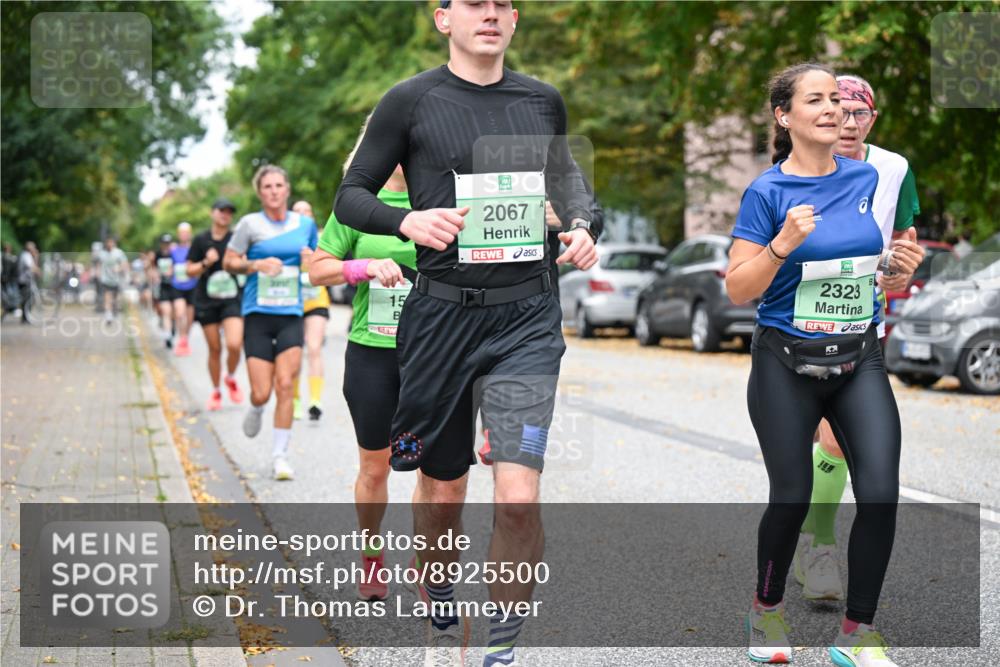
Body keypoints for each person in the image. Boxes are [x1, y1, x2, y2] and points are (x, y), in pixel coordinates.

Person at [333, 1, 598, 664]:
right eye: (473, 3)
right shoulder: (411, 101)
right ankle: (443, 621)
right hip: (443, 317)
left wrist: (583, 224)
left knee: (517, 498)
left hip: (527, 317)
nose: (490, 13)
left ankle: (498, 650)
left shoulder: (542, 101)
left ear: (513, 20)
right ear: (442, 18)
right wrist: (406, 224)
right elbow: (352, 192)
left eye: (502, 4)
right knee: (444, 489)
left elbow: (567, 179)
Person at [725, 63, 922, 667]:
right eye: (818, 100)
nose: (834, 109)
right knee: (791, 493)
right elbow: (738, 289)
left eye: (838, 99)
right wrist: (781, 244)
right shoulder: (767, 192)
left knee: (882, 492)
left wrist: (898, 271)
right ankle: (766, 613)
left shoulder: (863, 178)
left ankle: (855, 633)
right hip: (785, 361)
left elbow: (864, 269)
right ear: (786, 117)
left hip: (858, 354)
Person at [792, 74, 927, 602]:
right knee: (812, 438)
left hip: (862, 319)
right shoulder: (800, 162)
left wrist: (899, 270)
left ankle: (817, 545)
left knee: (834, 439)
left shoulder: (894, 169)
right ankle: (809, 532)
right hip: (800, 319)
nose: (848, 124)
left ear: (874, 119)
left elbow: (904, 243)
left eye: (860, 115)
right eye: (839, 111)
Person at [311, 125, 416, 601]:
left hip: (432, 356)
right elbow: (316, 268)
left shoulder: (443, 195)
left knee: (435, 471)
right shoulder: (357, 205)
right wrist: (364, 267)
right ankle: (372, 557)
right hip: (372, 352)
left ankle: (428, 566)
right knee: (376, 468)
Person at [223, 165, 318, 481]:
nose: (274, 191)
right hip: (258, 315)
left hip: (291, 314)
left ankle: (280, 456)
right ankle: (257, 406)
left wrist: (309, 262)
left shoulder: (305, 225)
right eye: (267, 186)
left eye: (279, 185)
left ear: (288, 189)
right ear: (260, 192)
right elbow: (229, 262)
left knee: (286, 385)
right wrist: (255, 264)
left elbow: (318, 266)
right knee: (263, 391)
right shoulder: (249, 224)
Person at [186, 198, 245, 412]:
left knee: (234, 344)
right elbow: (188, 270)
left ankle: (230, 377)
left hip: (231, 299)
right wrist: (205, 262)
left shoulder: (235, 239)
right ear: (212, 213)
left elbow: (244, 264)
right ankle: (216, 391)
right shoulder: (201, 240)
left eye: (229, 212)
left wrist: (241, 262)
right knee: (214, 349)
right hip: (207, 301)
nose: (225, 215)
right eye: (221, 211)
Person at [291, 199, 330, 422]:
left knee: (314, 348)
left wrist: (313, 259)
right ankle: (295, 400)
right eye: (298, 211)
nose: (303, 214)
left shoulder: (323, 238)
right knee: (294, 353)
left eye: (307, 210)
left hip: (317, 301)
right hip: (292, 303)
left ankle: (315, 400)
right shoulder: (286, 240)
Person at [170, 222, 198, 356]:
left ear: (190, 234)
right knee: (180, 313)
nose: (184, 235)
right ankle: (181, 337)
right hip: (177, 285)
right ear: (178, 234)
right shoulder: (173, 249)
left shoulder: (195, 248)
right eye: (181, 232)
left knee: (189, 317)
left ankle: (185, 338)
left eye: (186, 232)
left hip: (192, 286)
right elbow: (169, 264)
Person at [96, 236, 128, 323]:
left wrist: (119, 269)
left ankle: (114, 311)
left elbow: (124, 264)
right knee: (107, 296)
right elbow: (98, 264)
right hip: (105, 279)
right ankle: (108, 314)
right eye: (108, 242)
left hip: (117, 279)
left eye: (111, 242)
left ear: (114, 243)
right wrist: (98, 273)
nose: (109, 244)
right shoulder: (102, 253)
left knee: (115, 298)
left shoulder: (119, 253)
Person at [154, 234, 176, 348]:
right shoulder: (157, 255)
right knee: (166, 311)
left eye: (168, 243)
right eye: (164, 243)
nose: (166, 246)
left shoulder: (174, 254)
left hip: (175, 286)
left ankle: (172, 328)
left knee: (174, 312)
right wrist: (156, 276)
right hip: (163, 286)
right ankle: (168, 335)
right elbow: (153, 269)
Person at [17, 241, 40, 324]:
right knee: (27, 300)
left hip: (27, 281)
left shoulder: (28, 255)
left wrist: (36, 257)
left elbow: (34, 265)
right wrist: (38, 271)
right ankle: (25, 318)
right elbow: (31, 266)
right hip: (24, 281)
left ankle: (26, 317)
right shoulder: (25, 255)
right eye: (33, 247)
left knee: (28, 299)